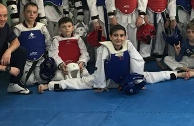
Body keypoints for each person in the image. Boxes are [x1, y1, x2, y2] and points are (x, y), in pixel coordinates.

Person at [38, 24, 185, 93]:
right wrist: (100, 84)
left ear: (125, 36)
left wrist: (137, 81)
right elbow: (100, 67)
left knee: (152, 76)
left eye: (121, 36)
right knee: (80, 83)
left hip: (127, 77)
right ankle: (49, 86)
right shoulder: (105, 48)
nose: (118, 38)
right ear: (110, 37)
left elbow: (137, 62)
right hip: (108, 80)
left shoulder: (128, 44)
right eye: (115, 36)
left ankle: (179, 74)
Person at [13, 2, 52, 86]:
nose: (31, 14)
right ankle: (30, 76)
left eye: (34, 12)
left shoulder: (42, 27)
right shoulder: (18, 29)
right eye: (28, 11)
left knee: (43, 80)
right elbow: (13, 46)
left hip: (40, 59)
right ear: (23, 13)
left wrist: (48, 57)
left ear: (37, 14)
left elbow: (48, 43)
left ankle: (36, 76)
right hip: (25, 61)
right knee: (28, 82)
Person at [49, 16, 90, 81]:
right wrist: (60, 64)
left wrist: (82, 62)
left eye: (69, 26)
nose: (67, 28)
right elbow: (53, 54)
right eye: (63, 27)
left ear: (73, 27)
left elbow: (84, 52)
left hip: (77, 65)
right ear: (59, 29)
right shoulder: (56, 40)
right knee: (58, 78)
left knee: (86, 75)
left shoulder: (78, 38)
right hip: (63, 67)